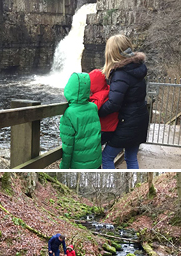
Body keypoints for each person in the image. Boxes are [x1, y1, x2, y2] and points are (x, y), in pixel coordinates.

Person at [98, 34, 149, 169]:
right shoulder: (138, 67)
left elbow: (114, 104)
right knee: (131, 158)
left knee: (106, 157)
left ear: (112, 52)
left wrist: (96, 111)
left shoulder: (121, 73)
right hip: (140, 120)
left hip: (127, 122)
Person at [59, 72, 102, 169]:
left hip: (79, 165)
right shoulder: (93, 107)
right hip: (96, 162)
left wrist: (64, 167)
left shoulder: (69, 113)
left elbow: (68, 146)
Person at [89, 69, 116, 146]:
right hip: (112, 126)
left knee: (93, 146)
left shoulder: (98, 96)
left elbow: (93, 109)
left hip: (104, 128)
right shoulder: (109, 90)